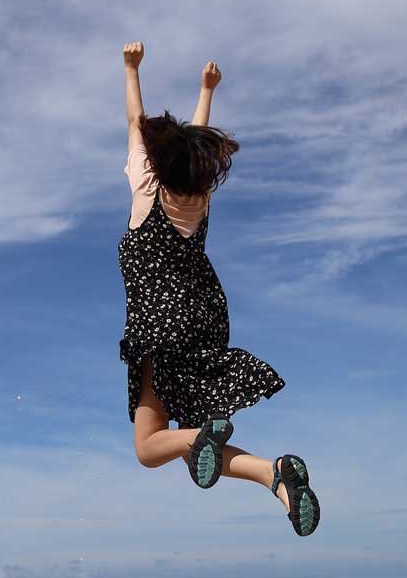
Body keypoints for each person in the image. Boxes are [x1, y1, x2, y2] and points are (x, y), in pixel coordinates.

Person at [118, 41, 319, 536]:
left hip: (161, 324)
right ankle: (275, 476)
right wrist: (207, 91)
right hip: (204, 320)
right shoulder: (199, 199)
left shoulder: (147, 190)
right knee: (193, 443)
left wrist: (130, 69)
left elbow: (135, 122)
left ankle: (206, 437)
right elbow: (196, 142)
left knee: (148, 448)